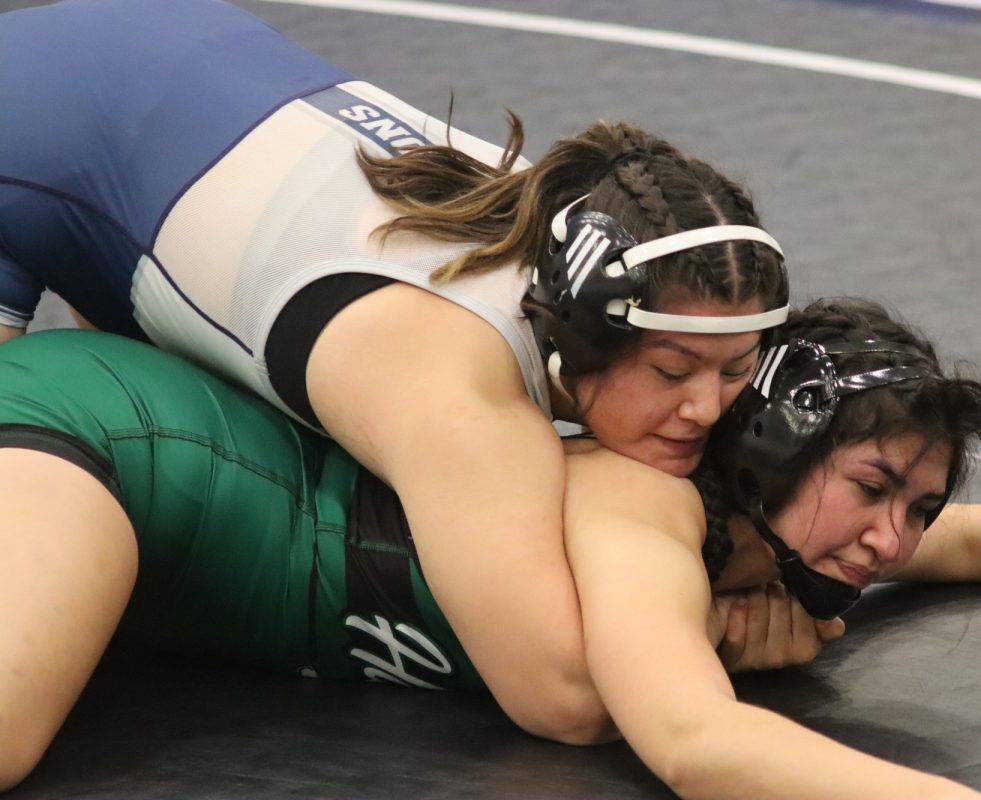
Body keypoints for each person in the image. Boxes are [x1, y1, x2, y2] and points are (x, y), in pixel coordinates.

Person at [4, 300, 981, 796]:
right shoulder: (643, 504)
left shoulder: (790, 527)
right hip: (125, 446)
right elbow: (693, 740)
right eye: (877, 489)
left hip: (150, 521)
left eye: (918, 508)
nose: (894, 540)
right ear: (777, 450)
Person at [0, 0, 795, 739]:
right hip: (46, 122)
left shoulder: (631, 248)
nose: (707, 409)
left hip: (156, 71)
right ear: (585, 337)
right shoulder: (457, 384)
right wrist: (718, 631)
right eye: (673, 374)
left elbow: (874, 440)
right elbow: (565, 696)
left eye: (734, 372)